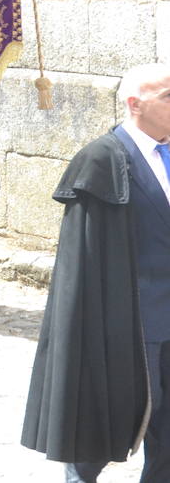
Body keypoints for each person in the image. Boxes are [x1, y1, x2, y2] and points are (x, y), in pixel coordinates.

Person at [22, 63, 170, 482]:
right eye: (169, 96)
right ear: (135, 104)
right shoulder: (102, 160)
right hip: (131, 327)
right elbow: (82, 263)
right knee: (107, 427)